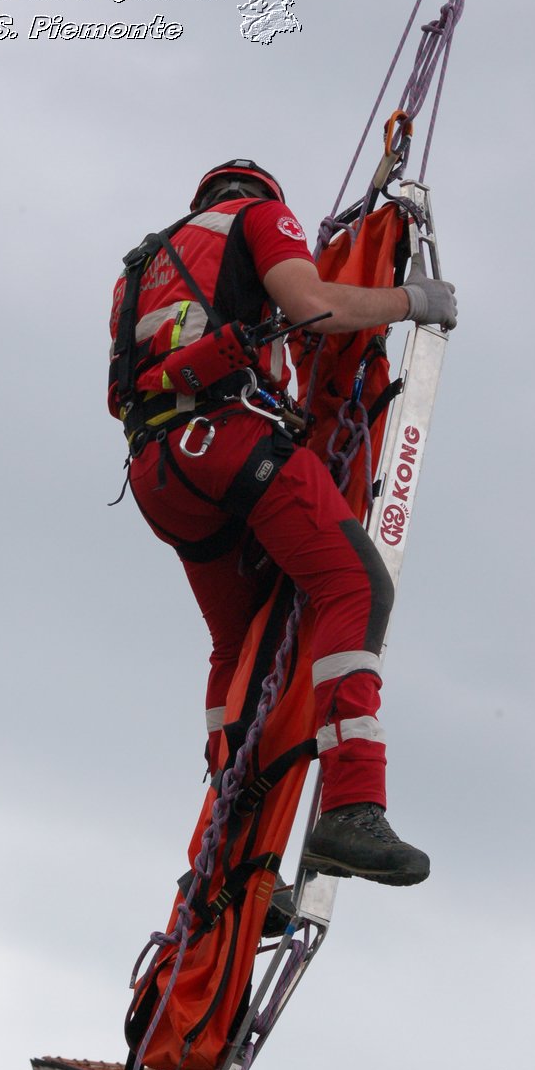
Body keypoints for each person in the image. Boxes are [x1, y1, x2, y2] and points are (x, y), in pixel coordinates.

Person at [108, 158, 457, 889]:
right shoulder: (259, 219)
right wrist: (409, 299)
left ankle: (229, 859)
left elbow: (125, 390)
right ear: (263, 196)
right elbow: (311, 308)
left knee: (237, 646)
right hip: (228, 440)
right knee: (354, 586)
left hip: (154, 470)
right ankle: (352, 808)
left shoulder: (143, 264)